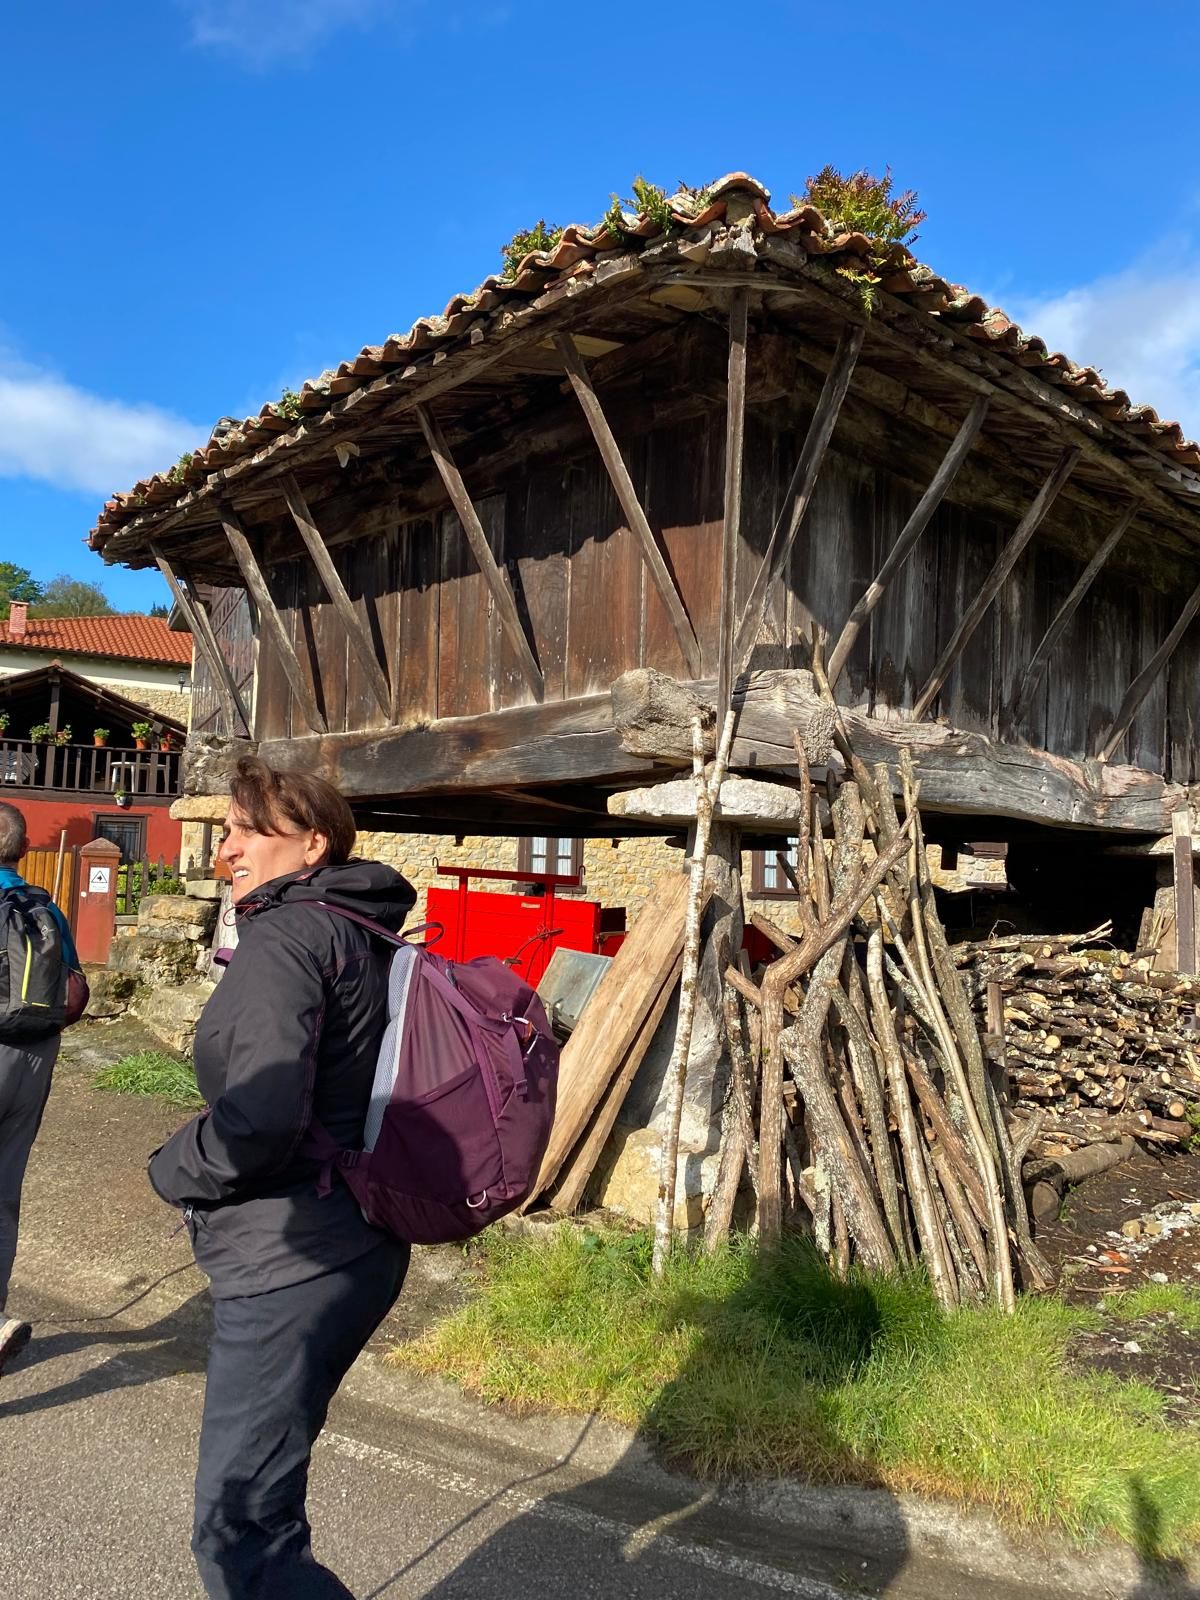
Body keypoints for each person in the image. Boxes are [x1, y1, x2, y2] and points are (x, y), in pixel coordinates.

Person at [148, 757, 416, 1600]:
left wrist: (174, 1167)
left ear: (311, 844)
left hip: (292, 1258)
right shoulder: (361, 927)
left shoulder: (290, 937)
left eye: (242, 829)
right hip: (358, 1239)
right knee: (266, 1513)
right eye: (224, 829)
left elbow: (259, 1119)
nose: (224, 847)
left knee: (242, 1536)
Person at [0, 801, 84, 1375]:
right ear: (24, 852)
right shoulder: (44, 905)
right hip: (32, 1059)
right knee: (4, 1194)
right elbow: (75, 988)